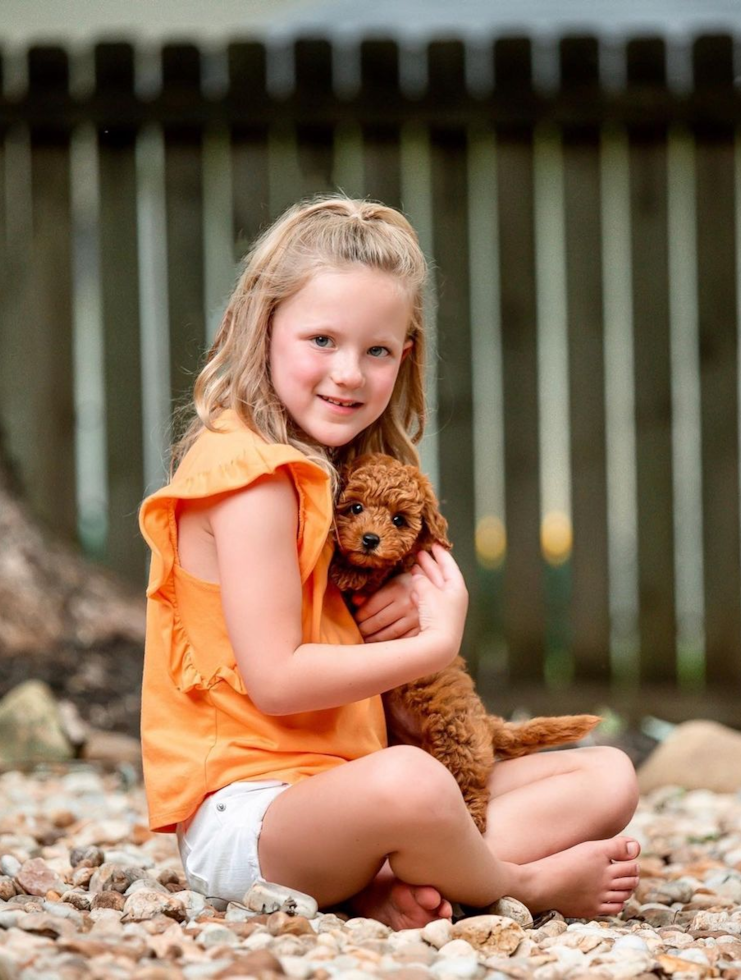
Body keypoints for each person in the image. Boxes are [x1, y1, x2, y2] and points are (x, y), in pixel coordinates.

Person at [139, 195, 641, 931]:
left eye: (376, 350)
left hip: (349, 788)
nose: (348, 374)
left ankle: (387, 886)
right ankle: (523, 886)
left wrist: (403, 607)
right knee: (411, 783)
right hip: (254, 819)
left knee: (606, 776)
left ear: (404, 354)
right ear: (263, 328)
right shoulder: (249, 476)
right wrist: (433, 644)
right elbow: (277, 681)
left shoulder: (339, 466)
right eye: (321, 340)